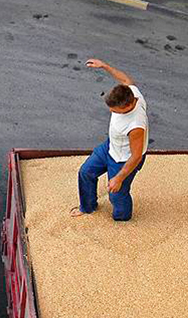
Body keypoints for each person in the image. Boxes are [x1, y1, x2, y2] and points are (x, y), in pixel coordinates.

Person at [70, 59, 149, 222]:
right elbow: (126, 80)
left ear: (127, 106)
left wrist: (119, 178)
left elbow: (136, 156)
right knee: (86, 172)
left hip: (123, 159)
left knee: (117, 194)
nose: (112, 112)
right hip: (110, 147)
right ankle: (87, 207)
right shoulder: (133, 92)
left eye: (115, 111)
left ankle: (122, 220)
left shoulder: (136, 126)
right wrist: (105, 66)